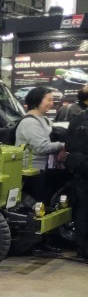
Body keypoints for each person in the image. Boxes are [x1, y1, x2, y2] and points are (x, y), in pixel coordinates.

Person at [15, 86, 68, 207]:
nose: (51, 103)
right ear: (37, 100)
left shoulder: (45, 120)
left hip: (45, 169)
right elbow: (42, 147)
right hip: (33, 172)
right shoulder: (29, 122)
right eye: (48, 100)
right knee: (39, 205)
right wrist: (63, 146)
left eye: (52, 100)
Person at [64, 107, 88, 260]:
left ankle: (82, 250)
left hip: (79, 172)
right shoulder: (79, 121)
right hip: (83, 171)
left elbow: (69, 147)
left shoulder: (76, 120)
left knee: (82, 211)